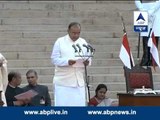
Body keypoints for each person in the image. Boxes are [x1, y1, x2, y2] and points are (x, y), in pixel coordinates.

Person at [51, 22, 92, 106]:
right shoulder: (60, 41)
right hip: (64, 82)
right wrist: (67, 62)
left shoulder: (83, 42)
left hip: (78, 81)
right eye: (74, 33)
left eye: (78, 33)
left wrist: (87, 62)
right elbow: (54, 59)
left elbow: (89, 57)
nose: (76, 35)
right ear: (68, 31)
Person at [135, 0, 160, 66]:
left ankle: (153, 58)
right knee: (145, 34)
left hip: (156, 10)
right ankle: (146, 58)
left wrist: (151, 11)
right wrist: (143, 10)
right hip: (143, 10)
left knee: (155, 33)